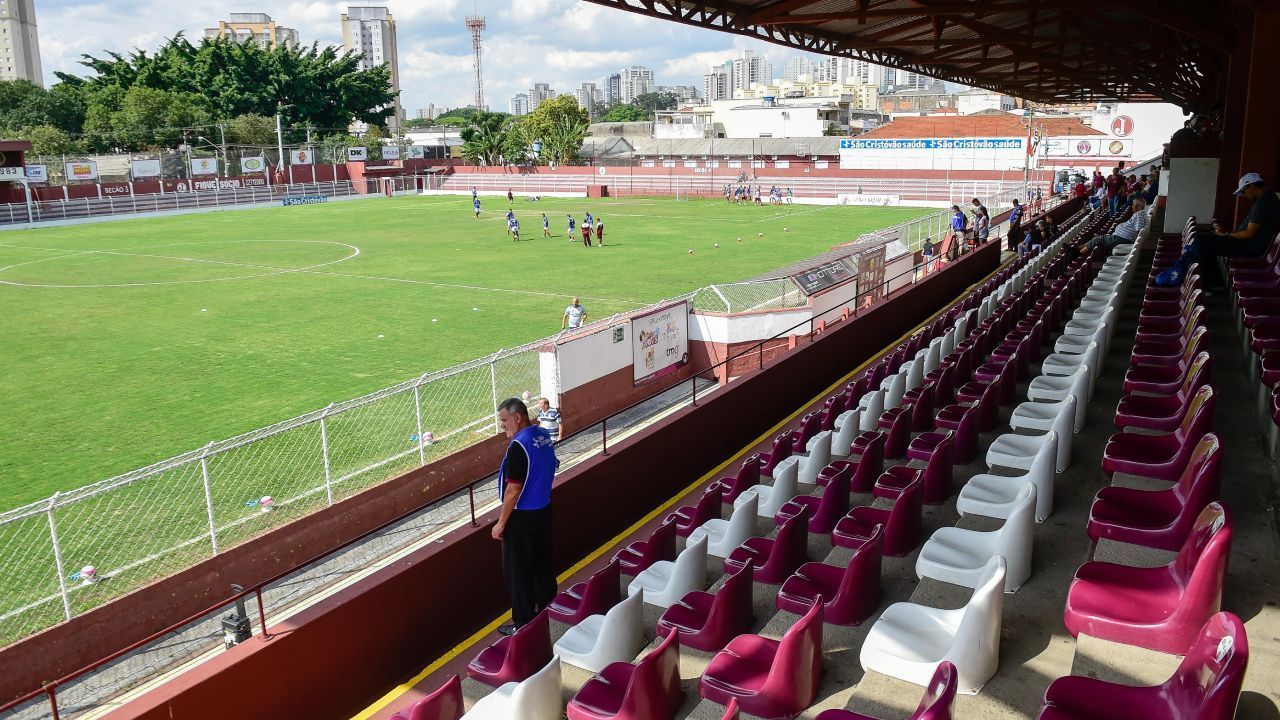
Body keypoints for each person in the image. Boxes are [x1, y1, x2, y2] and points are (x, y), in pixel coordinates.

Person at [492, 397, 558, 635]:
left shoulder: (519, 446)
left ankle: (523, 626)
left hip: (521, 520)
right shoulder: (543, 436)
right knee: (542, 565)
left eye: (504, 421)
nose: (503, 426)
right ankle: (545, 609)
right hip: (543, 511)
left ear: (517, 417)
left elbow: (513, 489)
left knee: (518, 574)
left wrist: (501, 523)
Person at [1186, 173, 1280, 291]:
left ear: (1251, 186)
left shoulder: (1263, 201)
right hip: (1248, 244)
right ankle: (1215, 281)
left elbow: (1249, 234)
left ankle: (1209, 284)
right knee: (1203, 237)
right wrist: (1227, 234)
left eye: (1243, 191)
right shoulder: (1269, 197)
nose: (1244, 195)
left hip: (1249, 247)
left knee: (1201, 240)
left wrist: (1226, 234)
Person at [1082, 197, 1148, 255]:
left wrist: (1135, 244)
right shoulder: (1140, 214)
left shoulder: (1139, 215)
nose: (1132, 206)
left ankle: (1078, 252)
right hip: (1121, 237)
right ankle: (1079, 248)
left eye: (1133, 204)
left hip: (1123, 239)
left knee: (1097, 239)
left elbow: (1139, 230)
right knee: (1097, 238)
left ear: (1136, 206)